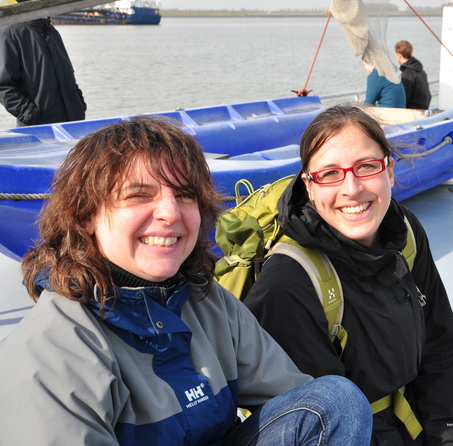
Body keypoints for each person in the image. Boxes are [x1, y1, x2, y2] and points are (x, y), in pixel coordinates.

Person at [0, 116, 373, 445]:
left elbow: (299, 400)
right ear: (86, 217)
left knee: (336, 402)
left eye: (184, 195)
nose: (169, 212)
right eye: (138, 196)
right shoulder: (52, 351)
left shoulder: (206, 301)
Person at [244, 104, 453, 446]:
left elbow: (438, 345)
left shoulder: (404, 233)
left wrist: (445, 435)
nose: (351, 189)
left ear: (389, 171)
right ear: (309, 185)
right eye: (330, 173)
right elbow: (326, 424)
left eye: (365, 166)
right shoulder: (288, 283)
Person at [0, 0, 86, 126]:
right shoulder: (10, 34)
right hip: (39, 128)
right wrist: (30, 114)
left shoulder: (52, 32)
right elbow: (3, 84)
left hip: (72, 123)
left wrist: (79, 104)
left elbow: (67, 74)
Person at [395, 41, 431, 110]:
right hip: (423, 108)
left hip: (413, 111)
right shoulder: (420, 71)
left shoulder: (407, 74)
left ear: (399, 55)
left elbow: (404, 98)